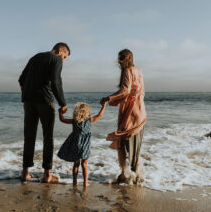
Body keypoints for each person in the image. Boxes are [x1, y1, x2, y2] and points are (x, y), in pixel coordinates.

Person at [18, 42, 70, 183]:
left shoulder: (35, 57)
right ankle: (47, 175)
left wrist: (25, 99)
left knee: (29, 136)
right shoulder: (56, 59)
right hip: (45, 101)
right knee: (48, 137)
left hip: (28, 101)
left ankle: (25, 173)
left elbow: (21, 79)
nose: (63, 60)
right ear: (59, 51)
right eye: (64, 56)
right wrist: (62, 103)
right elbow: (55, 81)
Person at [100, 49, 146, 184]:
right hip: (140, 110)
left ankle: (124, 173)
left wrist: (109, 98)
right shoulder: (138, 71)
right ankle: (136, 175)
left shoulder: (127, 71)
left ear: (121, 60)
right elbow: (140, 92)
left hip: (130, 112)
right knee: (135, 144)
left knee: (121, 141)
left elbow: (125, 91)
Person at [57, 102, 106, 187]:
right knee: (84, 164)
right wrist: (104, 106)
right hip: (85, 146)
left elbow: (63, 120)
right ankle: (85, 182)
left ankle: (75, 182)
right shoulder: (89, 120)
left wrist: (60, 112)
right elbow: (99, 115)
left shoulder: (74, 121)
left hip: (75, 145)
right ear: (87, 112)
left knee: (76, 164)